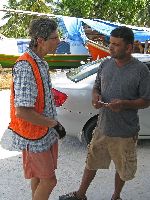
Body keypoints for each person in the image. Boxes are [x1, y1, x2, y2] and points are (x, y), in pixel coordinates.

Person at [59, 26, 150, 200]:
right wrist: (95, 97)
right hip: (102, 127)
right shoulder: (106, 64)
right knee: (91, 163)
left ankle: (116, 197)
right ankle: (80, 195)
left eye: (116, 44)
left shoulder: (141, 71)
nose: (111, 47)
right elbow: (96, 86)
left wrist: (124, 104)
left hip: (125, 132)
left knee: (122, 169)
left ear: (129, 47)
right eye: (111, 43)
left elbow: (146, 101)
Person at [1, 17, 60, 200]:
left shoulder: (41, 62)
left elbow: (36, 98)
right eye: (55, 37)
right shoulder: (26, 65)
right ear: (40, 41)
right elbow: (23, 111)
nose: (59, 41)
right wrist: (54, 123)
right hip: (35, 135)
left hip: (43, 132)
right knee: (49, 181)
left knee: (38, 176)